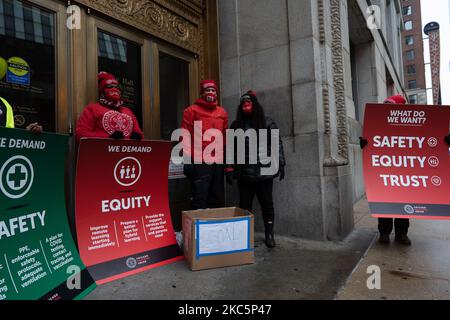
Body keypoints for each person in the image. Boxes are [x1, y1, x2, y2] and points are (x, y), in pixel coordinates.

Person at [227, 91, 286, 248]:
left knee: (267, 204)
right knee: (245, 205)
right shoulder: (235, 125)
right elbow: (230, 149)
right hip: (244, 174)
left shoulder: (267, 122)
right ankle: (244, 236)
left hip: (264, 173)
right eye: (243, 103)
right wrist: (229, 168)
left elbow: (277, 144)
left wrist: (281, 164)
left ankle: (269, 235)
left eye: (248, 102)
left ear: (254, 104)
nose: (246, 105)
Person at [360, 94, 413, 245]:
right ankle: (384, 232)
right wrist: (364, 144)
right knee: (385, 202)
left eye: (392, 106)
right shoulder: (378, 124)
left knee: (403, 204)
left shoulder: (410, 127)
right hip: (384, 171)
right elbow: (373, 144)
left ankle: (401, 234)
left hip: (404, 172)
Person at [181, 79, 228, 210]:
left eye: (213, 90)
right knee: (200, 196)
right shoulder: (191, 111)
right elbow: (185, 136)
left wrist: (228, 164)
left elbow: (224, 137)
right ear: (202, 93)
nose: (211, 92)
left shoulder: (222, 112)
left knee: (217, 195)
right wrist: (187, 160)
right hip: (200, 160)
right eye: (208, 90)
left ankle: (215, 228)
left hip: (217, 160)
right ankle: (198, 228)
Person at [76, 72, 143, 141]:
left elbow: (139, 134)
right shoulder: (92, 108)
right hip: (102, 151)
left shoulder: (128, 111)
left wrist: (136, 137)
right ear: (102, 91)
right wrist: (108, 138)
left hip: (126, 150)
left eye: (117, 87)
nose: (115, 89)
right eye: (110, 87)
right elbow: (81, 134)